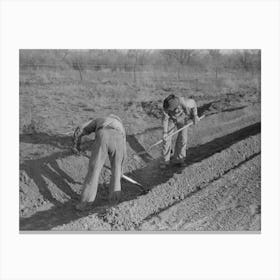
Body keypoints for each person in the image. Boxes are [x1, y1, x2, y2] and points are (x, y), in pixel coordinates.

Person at [72, 114, 126, 211]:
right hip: (119, 138)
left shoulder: (99, 119)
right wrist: (121, 169)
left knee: (94, 171)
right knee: (117, 172)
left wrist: (76, 146)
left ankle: (84, 205)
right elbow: (124, 152)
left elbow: (80, 129)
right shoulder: (120, 126)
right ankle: (113, 204)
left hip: (103, 135)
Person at [160, 94, 199, 169]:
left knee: (183, 139)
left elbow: (193, 103)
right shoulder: (166, 106)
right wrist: (165, 133)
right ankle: (165, 161)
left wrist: (195, 115)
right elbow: (165, 119)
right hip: (171, 120)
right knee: (166, 139)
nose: (169, 110)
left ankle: (179, 159)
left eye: (171, 109)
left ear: (178, 106)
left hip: (183, 119)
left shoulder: (186, 102)